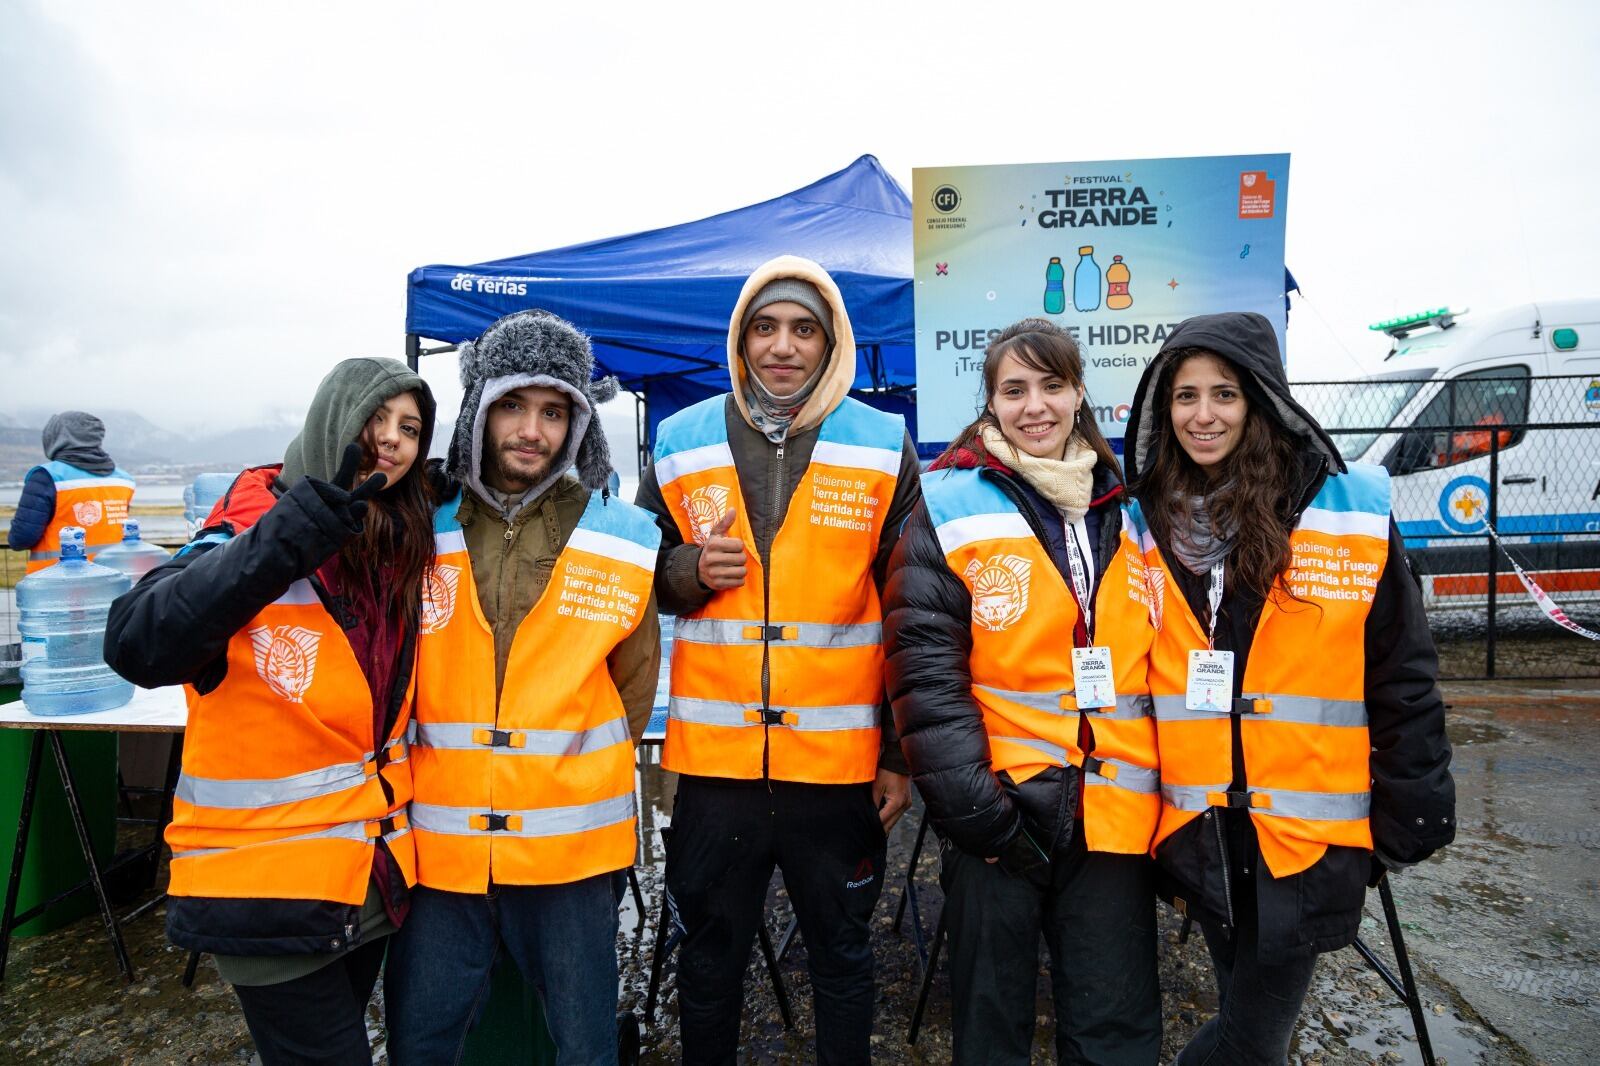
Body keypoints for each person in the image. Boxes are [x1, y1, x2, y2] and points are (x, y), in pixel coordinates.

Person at [1123, 312, 1455, 1064]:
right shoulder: (1146, 524)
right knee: (1246, 1018)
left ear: (1261, 402)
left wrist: (1411, 810)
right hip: (1202, 829)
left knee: (1251, 1038)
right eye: (1184, 396)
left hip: (1303, 837)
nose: (1202, 416)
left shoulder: (1345, 511)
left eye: (1224, 395)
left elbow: (1402, 671)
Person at [104, 358, 436, 1066]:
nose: (391, 440)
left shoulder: (389, 547)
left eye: (410, 428)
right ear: (329, 422)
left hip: (365, 885)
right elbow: (138, 642)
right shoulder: (244, 533)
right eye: (374, 419)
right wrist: (290, 534)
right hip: (266, 892)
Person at [635, 255, 922, 1064]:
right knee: (709, 957)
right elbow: (628, 568)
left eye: (804, 329)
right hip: (716, 770)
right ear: (741, 338)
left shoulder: (880, 441)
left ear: (832, 342)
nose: (783, 347)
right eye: (765, 327)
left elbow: (912, 611)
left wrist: (899, 753)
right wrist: (686, 570)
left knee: (841, 955)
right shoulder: (681, 439)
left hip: (836, 770)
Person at [385, 310, 662, 1065]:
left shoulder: (625, 537)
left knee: (583, 1044)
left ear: (577, 423)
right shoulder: (417, 523)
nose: (531, 430)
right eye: (513, 404)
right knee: (421, 1040)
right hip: (437, 844)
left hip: (571, 855)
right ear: (479, 408)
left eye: (553, 410)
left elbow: (634, 686)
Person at [883, 319, 1162, 1064]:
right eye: (1014, 389)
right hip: (1001, 816)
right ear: (990, 403)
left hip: (1114, 814)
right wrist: (981, 818)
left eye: (1051, 385)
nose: (1034, 405)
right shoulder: (946, 503)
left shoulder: (1129, 506)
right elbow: (924, 672)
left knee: (1114, 1028)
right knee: (992, 1028)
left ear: (1078, 395)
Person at [9, 410, 136, 572]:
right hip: (112, 577)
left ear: (54, 438)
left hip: (56, 582)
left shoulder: (47, 476)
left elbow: (21, 538)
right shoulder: (124, 479)